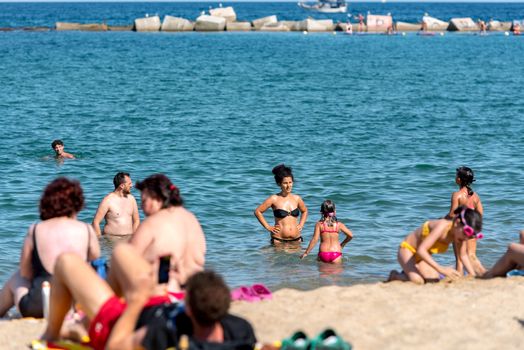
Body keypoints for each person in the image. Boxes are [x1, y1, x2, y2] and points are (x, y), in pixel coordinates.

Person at [42, 245, 256, 350]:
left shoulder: (164, 332)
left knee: (65, 261)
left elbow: (115, 347)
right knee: (122, 251)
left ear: (188, 308)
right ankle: (85, 322)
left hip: (121, 322)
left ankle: (52, 334)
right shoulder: (239, 328)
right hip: (157, 303)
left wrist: (135, 302)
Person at [0, 177, 100, 318]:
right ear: (77, 203)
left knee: (17, 278)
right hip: (75, 304)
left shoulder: (35, 230)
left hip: (40, 306)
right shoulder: (87, 229)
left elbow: (25, 273)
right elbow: (95, 264)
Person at [129, 174, 206, 293]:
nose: (141, 206)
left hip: (166, 294)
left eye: (144, 201)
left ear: (158, 199)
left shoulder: (153, 222)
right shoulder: (192, 219)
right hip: (197, 293)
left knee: (121, 254)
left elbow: (127, 259)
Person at [387, 206, 483, 284]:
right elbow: (421, 250)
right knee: (418, 281)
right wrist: (441, 269)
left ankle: (409, 272)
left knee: (433, 280)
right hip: (407, 251)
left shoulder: (460, 236)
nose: (466, 238)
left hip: (421, 258)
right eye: (466, 233)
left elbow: (463, 256)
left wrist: (473, 275)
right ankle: (395, 275)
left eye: (471, 236)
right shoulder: (442, 226)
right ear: (457, 222)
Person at [254, 164, 308, 245]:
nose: (288, 186)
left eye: (290, 182)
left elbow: (305, 211)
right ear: (279, 184)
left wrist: (301, 224)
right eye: (285, 183)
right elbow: (258, 211)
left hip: (296, 240)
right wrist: (268, 227)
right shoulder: (274, 198)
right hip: (278, 240)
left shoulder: (297, 198)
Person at [446, 166, 485, 275]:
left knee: (459, 258)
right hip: (472, 228)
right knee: (471, 255)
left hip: (460, 229)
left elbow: (452, 214)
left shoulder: (456, 195)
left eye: (456, 175)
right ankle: (483, 273)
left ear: (458, 180)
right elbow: (480, 213)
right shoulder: (476, 196)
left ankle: (459, 276)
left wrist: (442, 220)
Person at [92, 172, 140, 238]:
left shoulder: (132, 199)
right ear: (122, 186)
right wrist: (99, 240)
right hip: (111, 240)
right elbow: (95, 222)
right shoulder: (107, 201)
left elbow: (136, 220)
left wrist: (133, 237)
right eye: (129, 184)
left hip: (128, 239)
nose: (132, 185)